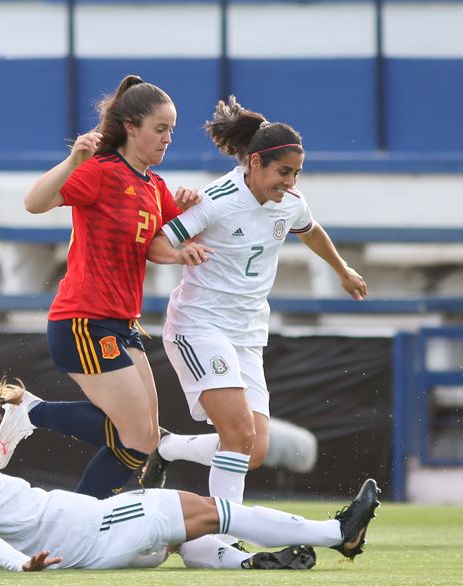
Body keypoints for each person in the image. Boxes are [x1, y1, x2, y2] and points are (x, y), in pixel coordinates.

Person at [0, 328, 380, 571]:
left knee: (188, 534)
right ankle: (338, 534)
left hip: (91, 538)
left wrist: (21, 552)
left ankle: (245, 566)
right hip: (99, 527)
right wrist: (20, 564)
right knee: (218, 511)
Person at [137, 97, 367, 544]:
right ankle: (219, 543)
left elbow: (310, 229)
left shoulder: (290, 202)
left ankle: (167, 447)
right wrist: (182, 253)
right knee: (239, 436)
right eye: (284, 172)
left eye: (297, 173)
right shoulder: (217, 200)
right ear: (256, 163)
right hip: (199, 326)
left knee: (254, 450)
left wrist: (342, 270)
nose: (291, 182)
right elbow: (156, 243)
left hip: (247, 334)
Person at [9, 74, 210, 499]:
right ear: (131, 127)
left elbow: (159, 244)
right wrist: (73, 161)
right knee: (136, 435)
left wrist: (184, 234)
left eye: (172, 129)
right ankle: (32, 413)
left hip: (122, 323)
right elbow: (33, 203)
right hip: (83, 319)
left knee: (143, 441)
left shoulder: (154, 186)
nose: (168, 138)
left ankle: (84, 517)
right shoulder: (100, 171)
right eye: (160, 129)